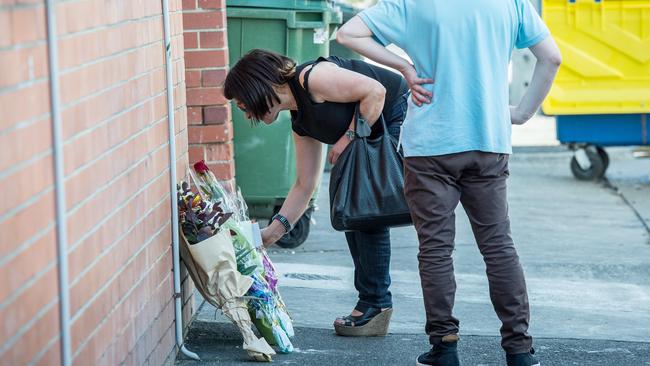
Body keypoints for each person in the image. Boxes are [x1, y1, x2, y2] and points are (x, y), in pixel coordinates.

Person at [337, 1, 561, 365]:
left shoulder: (410, 3)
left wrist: (404, 66)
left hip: (430, 145)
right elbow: (551, 58)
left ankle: (444, 346)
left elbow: (348, 33)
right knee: (498, 246)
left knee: (436, 249)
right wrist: (522, 112)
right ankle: (519, 350)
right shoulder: (511, 4)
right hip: (488, 139)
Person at [223, 49, 409, 337]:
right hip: (369, 123)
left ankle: (376, 303)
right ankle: (373, 303)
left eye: (243, 104)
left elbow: (376, 91)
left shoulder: (312, 78)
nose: (246, 113)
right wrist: (270, 234)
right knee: (355, 210)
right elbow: (304, 185)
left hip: (397, 110)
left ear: (256, 87)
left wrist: (347, 138)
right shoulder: (301, 122)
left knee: (366, 207)